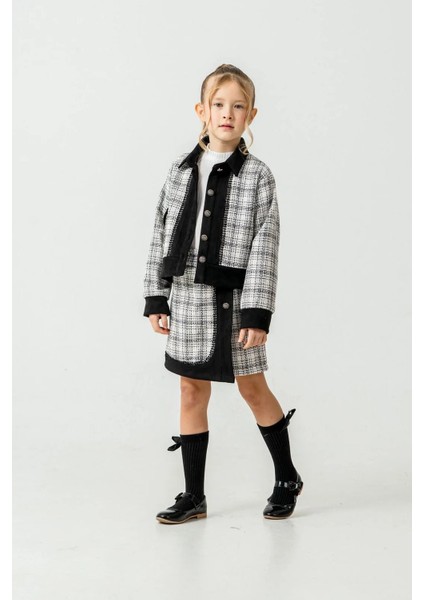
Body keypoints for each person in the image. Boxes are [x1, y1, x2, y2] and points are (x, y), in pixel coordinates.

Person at [143, 64, 303, 524]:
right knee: (190, 389)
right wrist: (156, 296)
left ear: (251, 114)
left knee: (253, 388)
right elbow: (160, 233)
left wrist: (257, 313)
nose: (227, 114)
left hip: (234, 301)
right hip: (187, 295)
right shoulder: (179, 171)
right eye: (218, 105)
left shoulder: (258, 176)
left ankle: (287, 477)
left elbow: (265, 246)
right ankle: (194, 495)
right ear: (202, 110)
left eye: (238, 106)